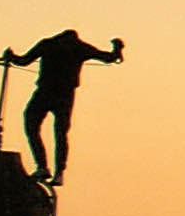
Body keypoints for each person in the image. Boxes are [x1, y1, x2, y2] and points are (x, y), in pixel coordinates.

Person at [8, 28, 122, 179]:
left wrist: (9, 56)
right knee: (60, 133)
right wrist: (117, 49)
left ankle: (42, 167)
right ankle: (58, 172)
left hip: (45, 91)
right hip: (65, 95)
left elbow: (22, 61)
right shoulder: (80, 47)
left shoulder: (48, 44)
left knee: (32, 124)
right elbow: (108, 58)